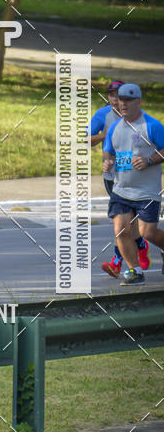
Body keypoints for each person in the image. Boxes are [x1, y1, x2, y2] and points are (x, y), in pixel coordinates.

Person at [102, 83, 164, 284]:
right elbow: (110, 151)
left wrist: (149, 160)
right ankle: (134, 270)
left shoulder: (152, 126)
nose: (123, 104)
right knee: (121, 230)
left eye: (128, 100)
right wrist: (108, 161)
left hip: (147, 191)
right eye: (121, 100)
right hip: (121, 190)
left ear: (139, 101)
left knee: (148, 233)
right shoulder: (115, 128)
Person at [91, 80, 150, 276]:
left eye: (120, 95)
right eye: (112, 95)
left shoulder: (139, 118)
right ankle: (137, 248)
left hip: (135, 177)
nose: (116, 99)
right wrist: (103, 136)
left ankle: (122, 259)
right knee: (126, 222)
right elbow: (83, 139)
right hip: (113, 178)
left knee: (129, 222)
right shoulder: (103, 115)